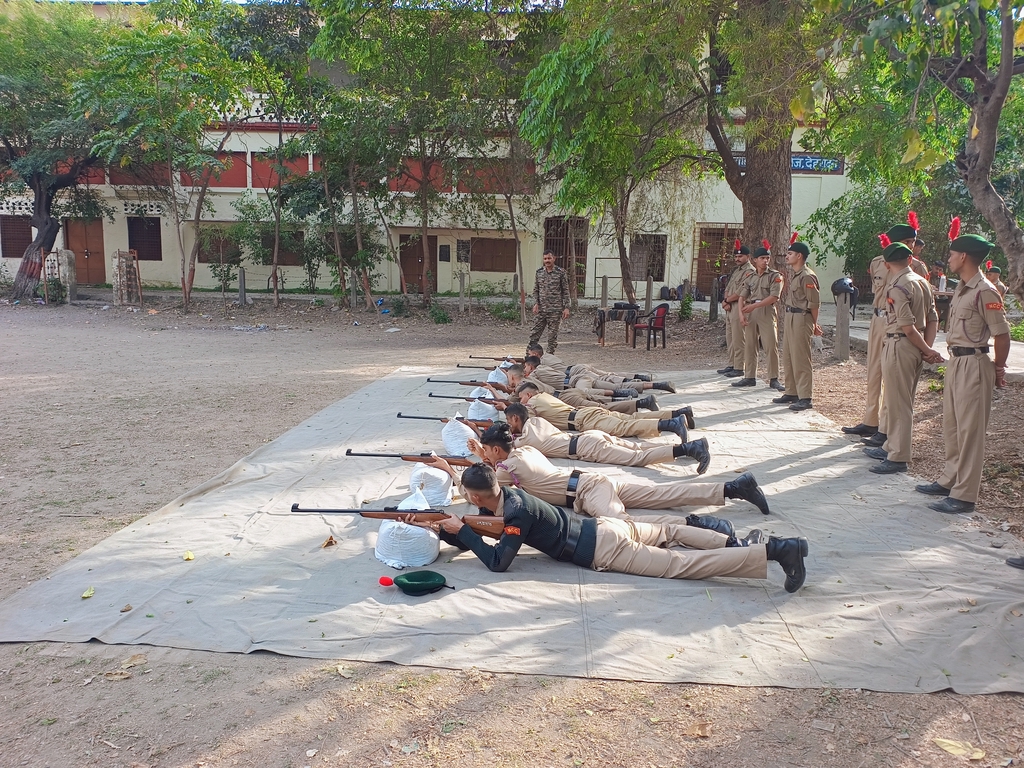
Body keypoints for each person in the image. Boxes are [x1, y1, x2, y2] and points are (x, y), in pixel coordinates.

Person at [423, 464, 807, 592]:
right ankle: (732, 539)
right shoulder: (511, 495)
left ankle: (777, 551)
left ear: (476, 498)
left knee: (679, 565)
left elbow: (497, 563)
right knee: (671, 532)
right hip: (604, 526)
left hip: (602, 549)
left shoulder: (516, 514)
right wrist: (452, 530)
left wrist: (462, 531)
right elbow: (500, 531)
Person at [436, 422, 769, 519]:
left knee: (624, 530)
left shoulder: (507, 468)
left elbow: (479, 488)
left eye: (487, 449)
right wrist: (485, 454)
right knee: (663, 493)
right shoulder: (525, 451)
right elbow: (498, 469)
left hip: (586, 491)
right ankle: (733, 488)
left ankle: (700, 528)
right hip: (590, 483)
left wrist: (448, 469)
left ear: (495, 450)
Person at [916, 233, 1010, 513]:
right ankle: (950, 479)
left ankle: (965, 495)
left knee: (970, 430)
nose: (949, 259)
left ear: (964, 257)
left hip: (975, 363)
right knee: (953, 425)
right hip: (957, 361)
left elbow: (1002, 335)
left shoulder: (985, 291)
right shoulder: (962, 288)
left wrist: (999, 368)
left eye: (952, 254)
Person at [842, 221, 925, 442]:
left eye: (912, 242)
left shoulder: (917, 268)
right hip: (879, 320)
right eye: (906, 242)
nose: (910, 247)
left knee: (892, 373)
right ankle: (870, 421)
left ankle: (885, 429)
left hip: (899, 324)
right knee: (874, 370)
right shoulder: (878, 263)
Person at [864, 242, 942, 474]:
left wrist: (926, 350)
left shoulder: (897, 286)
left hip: (899, 343)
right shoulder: (923, 282)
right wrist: (926, 347)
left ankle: (898, 456)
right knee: (902, 399)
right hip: (914, 346)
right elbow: (932, 318)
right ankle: (892, 447)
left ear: (886, 264)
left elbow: (907, 327)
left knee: (899, 404)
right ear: (910, 260)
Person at [503, 402, 712, 474]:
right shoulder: (537, 422)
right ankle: (686, 447)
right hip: (590, 437)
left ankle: (690, 449)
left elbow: (504, 450)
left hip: (587, 447)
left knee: (637, 458)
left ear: (514, 418)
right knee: (637, 448)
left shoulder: (525, 440)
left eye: (509, 421)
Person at [517, 382, 690, 440]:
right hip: (585, 414)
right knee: (632, 418)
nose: (520, 401)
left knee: (625, 427)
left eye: (521, 398)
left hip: (583, 419)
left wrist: (509, 409)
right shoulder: (542, 396)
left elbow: (525, 423)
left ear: (529, 394)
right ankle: (679, 412)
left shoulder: (532, 402)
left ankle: (673, 423)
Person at [773, 239, 822, 411]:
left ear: (799, 256)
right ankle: (792, 391)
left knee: (801, 358)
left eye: (790, 254)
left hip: (802, 317)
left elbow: (814, 303)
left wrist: (815, 324)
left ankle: (805, 397)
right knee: (788, 355)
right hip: (791, 316)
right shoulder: (797, 274)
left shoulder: (807, 275)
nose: (787, 256)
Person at [733, 243, 784, 390]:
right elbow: (742, 296)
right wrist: (741, 315)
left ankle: (774, 378)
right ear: (755, 260)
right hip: (751, 312)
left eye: (767, 258)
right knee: (750, 345)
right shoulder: (751, 276)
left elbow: (774, 297)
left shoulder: (775, 276)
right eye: (762, 258)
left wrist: (753, 306)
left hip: (766, 311)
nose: (765, 261)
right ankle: (749, 376)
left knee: (770, 345)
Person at [718, 241, 754, 378]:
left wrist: (727, 300)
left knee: (739, 338)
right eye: (736, 256)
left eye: (741, 256)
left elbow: (741, 292)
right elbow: (728, 288)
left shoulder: (749, 271)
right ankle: (731, 364)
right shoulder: (736, 271)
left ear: (748, 257)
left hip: (739, 306)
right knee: (730, 337)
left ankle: (739, 367)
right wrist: (725, 300)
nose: (737, 259)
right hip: (729, 306)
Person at [530, 250, 570, 354]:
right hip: (541, 310)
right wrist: (536, 303)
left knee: (552, 338)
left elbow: (565, 291)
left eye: (549, 258)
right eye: (545, 259)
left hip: (555, 311)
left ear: (554, 259)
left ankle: (549, 359)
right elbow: (536, 290)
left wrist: (566, 307)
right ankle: (530, 358)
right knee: (534, 334)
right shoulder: (539, 273)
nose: (547, 261)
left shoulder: (561, 272)